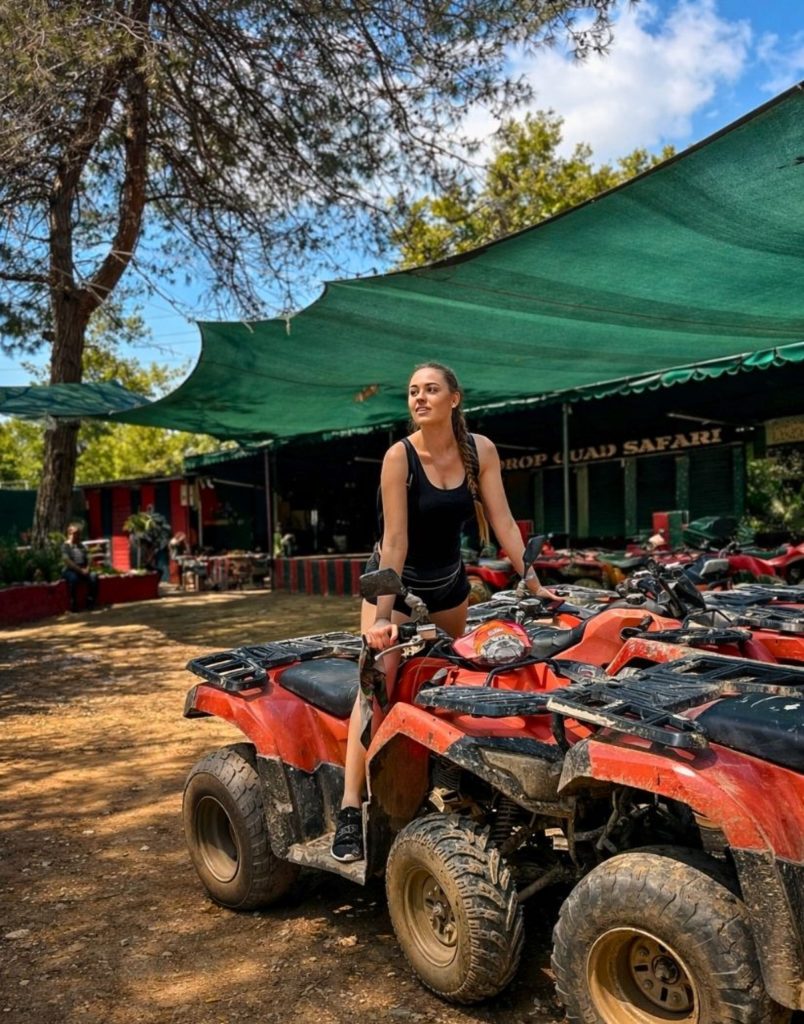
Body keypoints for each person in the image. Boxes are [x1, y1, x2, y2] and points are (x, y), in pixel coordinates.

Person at [330, 361, 556, 862]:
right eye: (412, 391)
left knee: (463, 675)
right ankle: (349, 807)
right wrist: (384, 618)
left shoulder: (481, 450)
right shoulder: (399, 457)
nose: (420, 398)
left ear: (454, 398)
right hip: (396, 584)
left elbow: (503, 523)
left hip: (450, 585)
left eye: (431, 389)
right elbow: (395, 542)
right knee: (375, 684)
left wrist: (536, 584)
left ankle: (455, 785)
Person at [61, 522, 99, 612]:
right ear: (69, 534)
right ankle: (73, 602)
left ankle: (90, 600)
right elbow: (67, 561)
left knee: (93, 576)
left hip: (83, 569)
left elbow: (89, 558)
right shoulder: (65, 546)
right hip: (71, 570)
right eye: (75, 533)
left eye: (78, 533)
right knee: (73, 578)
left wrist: (87, 568)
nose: (77, 536)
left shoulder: (82, 546)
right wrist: (80, 570)